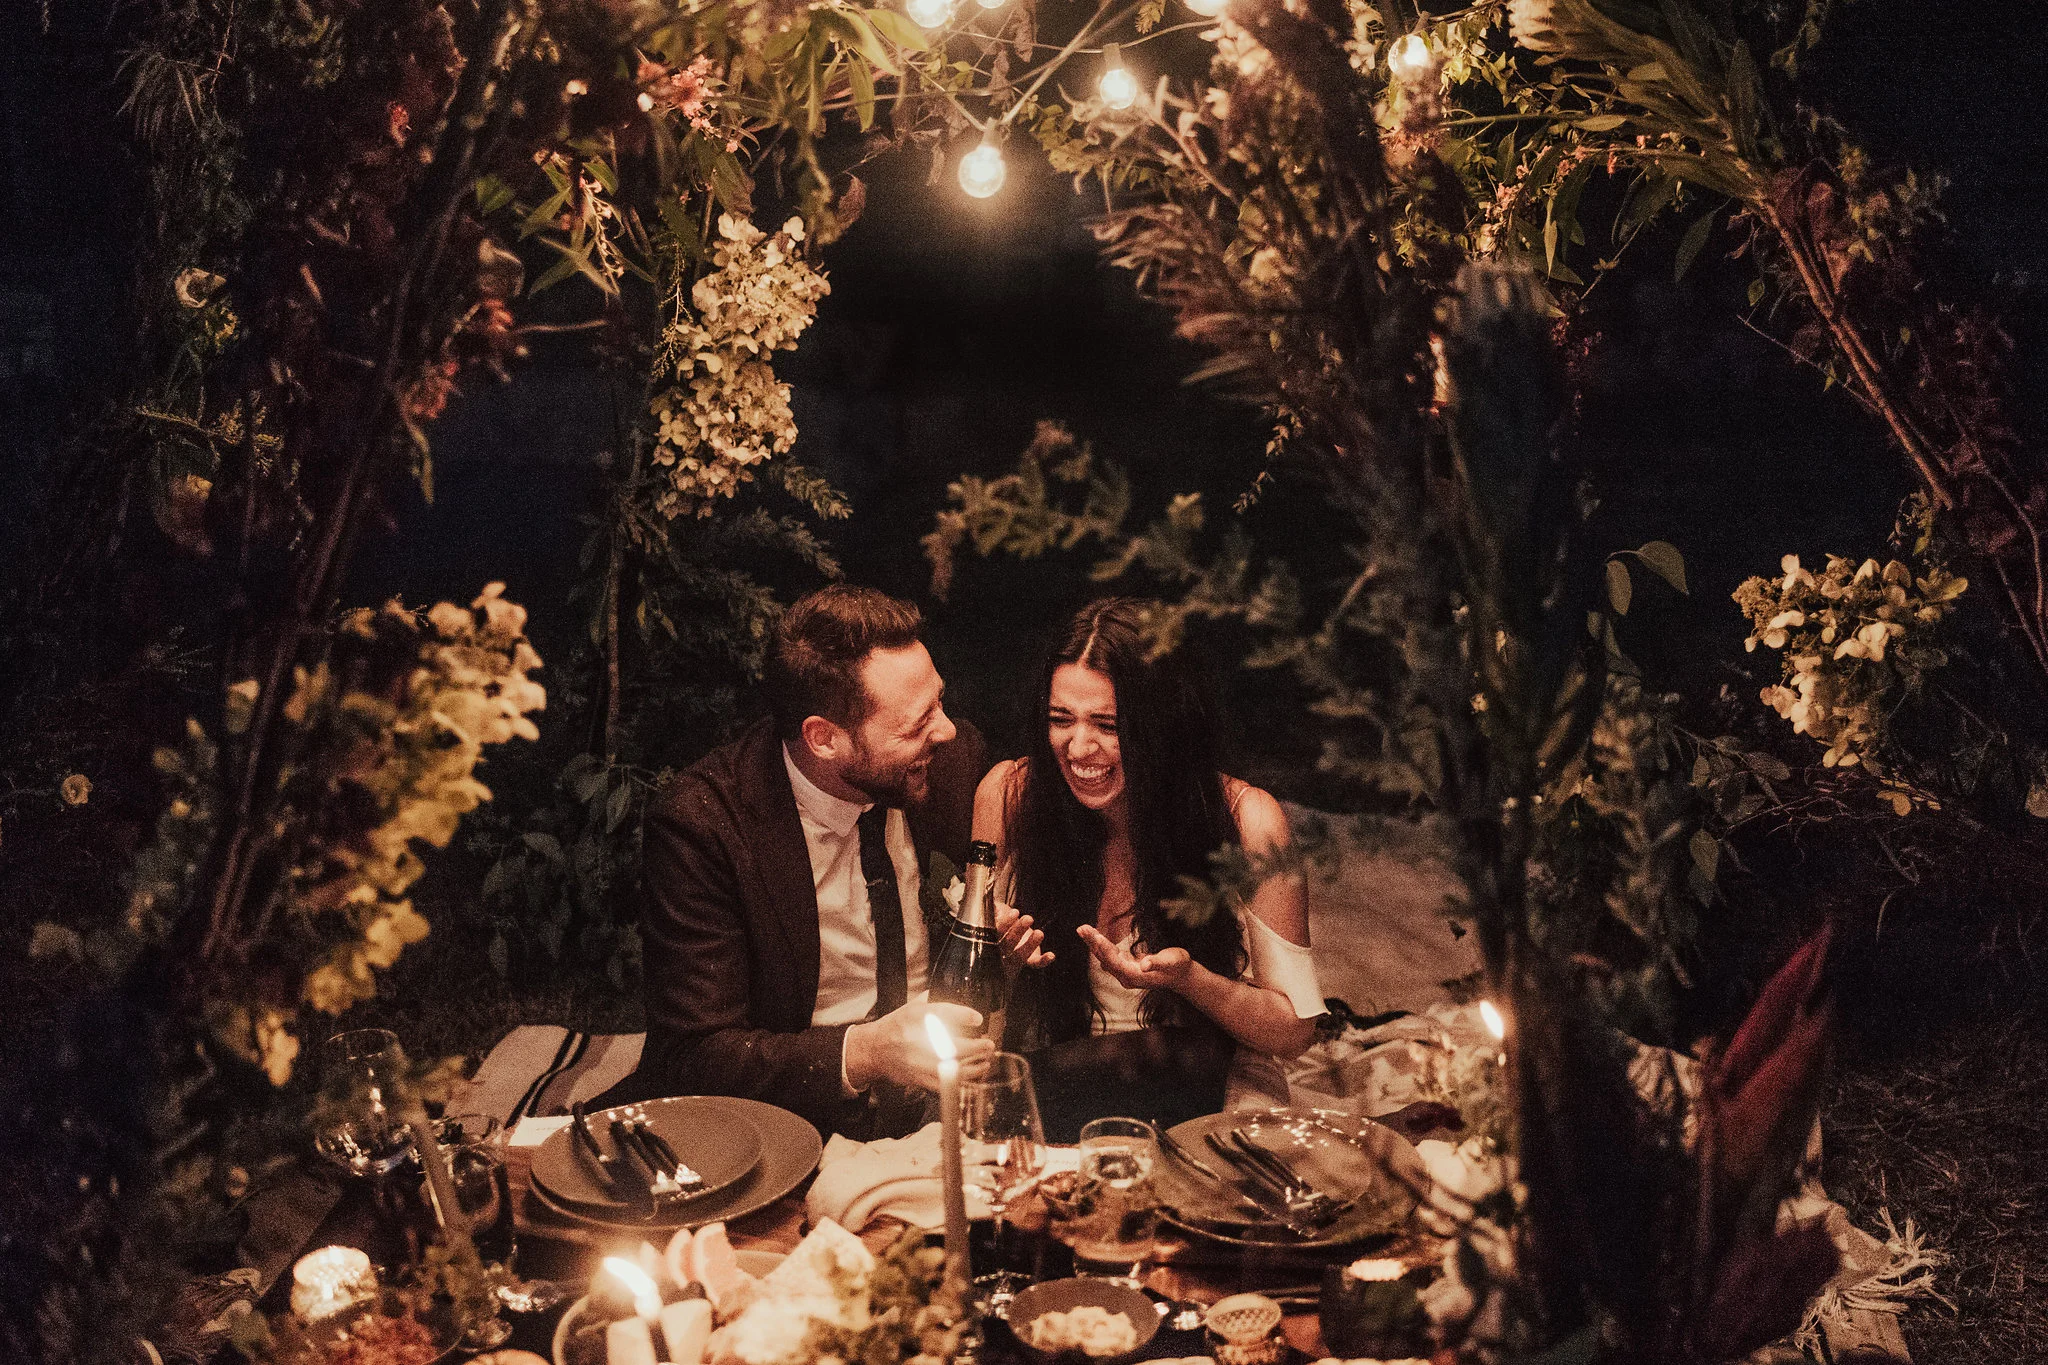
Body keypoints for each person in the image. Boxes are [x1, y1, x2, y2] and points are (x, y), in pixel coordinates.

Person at [630, 585, 995, 1139]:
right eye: (917, 723)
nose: (945, 730)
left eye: (939, 702)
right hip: (793, 1117)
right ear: (823, 739)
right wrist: (865, 1053)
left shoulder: (949, 761)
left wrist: (993, 942)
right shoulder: (706, 826)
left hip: (945, 1093)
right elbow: (693, 1054)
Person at [973, 597, 1325, 1135]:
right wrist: (998, 964)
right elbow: (967, 1017)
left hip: (1209, 1084)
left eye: (1108, 725)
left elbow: (1294, 1032)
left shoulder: (1247, 820)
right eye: (1061, 720)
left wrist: (1191, 981)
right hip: (1058, 1077)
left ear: (1163, 725)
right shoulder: (1007, 795)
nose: (1079, 748)